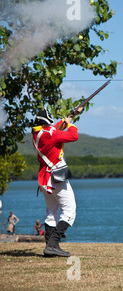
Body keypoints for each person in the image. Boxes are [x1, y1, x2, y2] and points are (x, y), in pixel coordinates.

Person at [32, 107, 82, 257]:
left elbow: (53, 128)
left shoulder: (37, 133)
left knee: (51, 212)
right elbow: (73, 136)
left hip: (45, 179)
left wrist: (70, 116)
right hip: (56, 178)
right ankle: (53, 244)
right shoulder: (50, 134)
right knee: (69, 211)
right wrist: (70, 124)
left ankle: (49, 248)